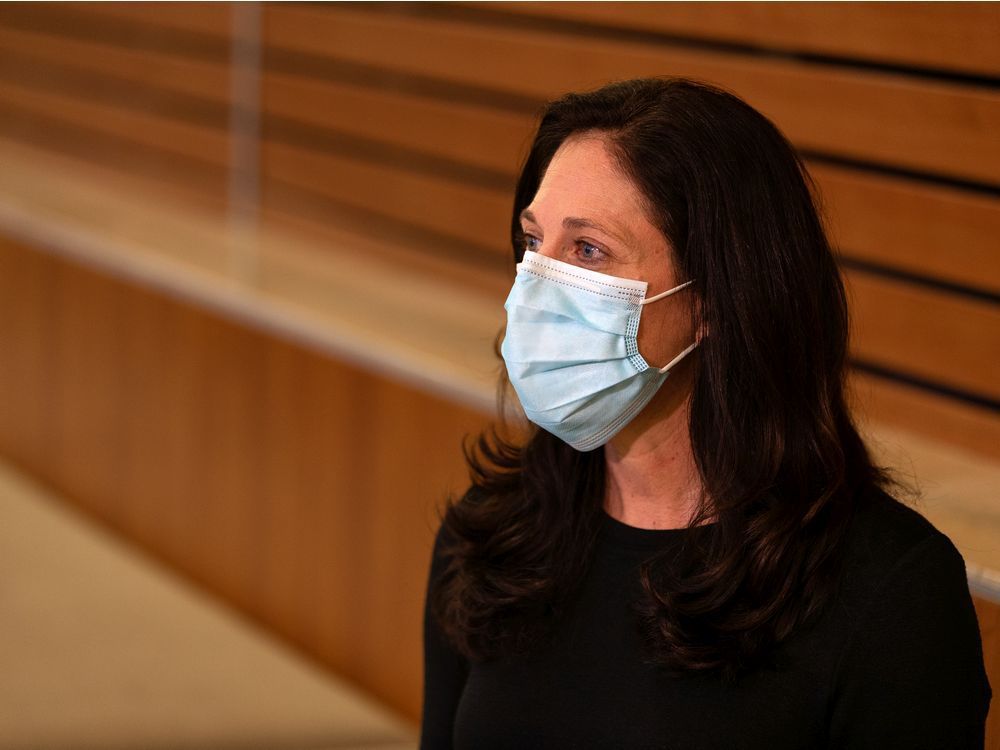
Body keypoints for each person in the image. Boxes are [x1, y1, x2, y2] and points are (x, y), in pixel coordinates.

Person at [420, 78, 991, 749]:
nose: (536, 287)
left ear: (716, 297)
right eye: (532, 242)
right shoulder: (490, 539)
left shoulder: (890, 595)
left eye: (588, 251)